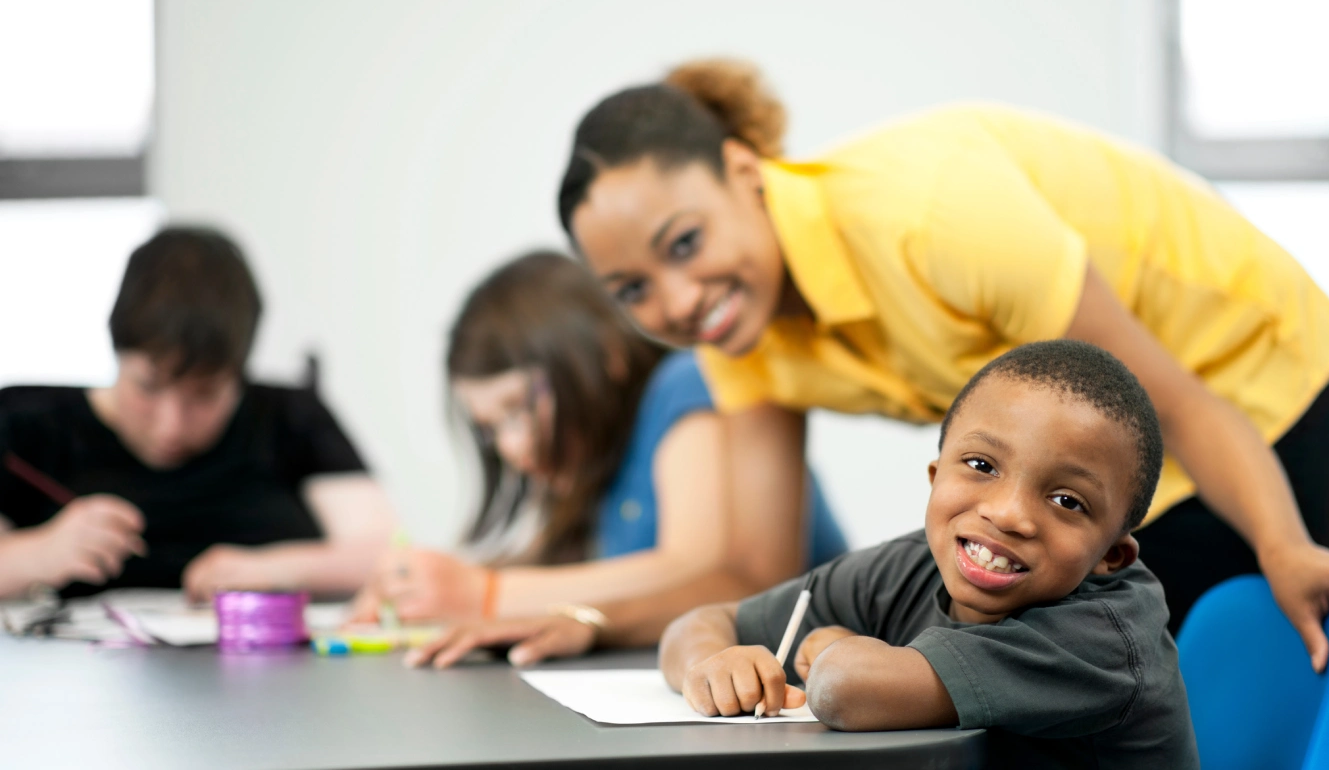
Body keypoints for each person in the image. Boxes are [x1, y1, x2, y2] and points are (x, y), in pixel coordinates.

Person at [554, 58, 1329, 673]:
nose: (677, 299)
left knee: (1072, 686)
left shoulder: (931, 215)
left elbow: (1174, 401)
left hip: (1256, 393)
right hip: (1097, 457)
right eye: (633, 290)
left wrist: (1285, 545)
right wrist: (585, 619)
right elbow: (763, 574)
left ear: (745, 172)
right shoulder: (742, 339)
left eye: (685, 244)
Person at [662, 341, 1197, 768]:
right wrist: (710, 669)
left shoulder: (1103, 639)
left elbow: (843, 689)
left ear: (1112, 556)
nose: (1008, 514)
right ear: (937, 478)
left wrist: (835, 646)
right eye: (983, 466)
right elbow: (697, 625)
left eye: (1067, 501)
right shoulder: (911, 564)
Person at [355, 252, 845, 662]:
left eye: (519, 409)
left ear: (606, 356)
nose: (510, 446)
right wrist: (422, 588)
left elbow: (700, 563)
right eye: (490, 430)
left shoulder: (685, 382)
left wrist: (485, 594)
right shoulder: (592, 466)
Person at [0, 226, 395, 601]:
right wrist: (35, 555)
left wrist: (275, 569)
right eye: (147, 386)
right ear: (117, 351)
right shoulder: (25, 423)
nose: (170, 425)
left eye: (204, 395)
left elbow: (389, 558)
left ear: (239, 374)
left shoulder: (289, 416)